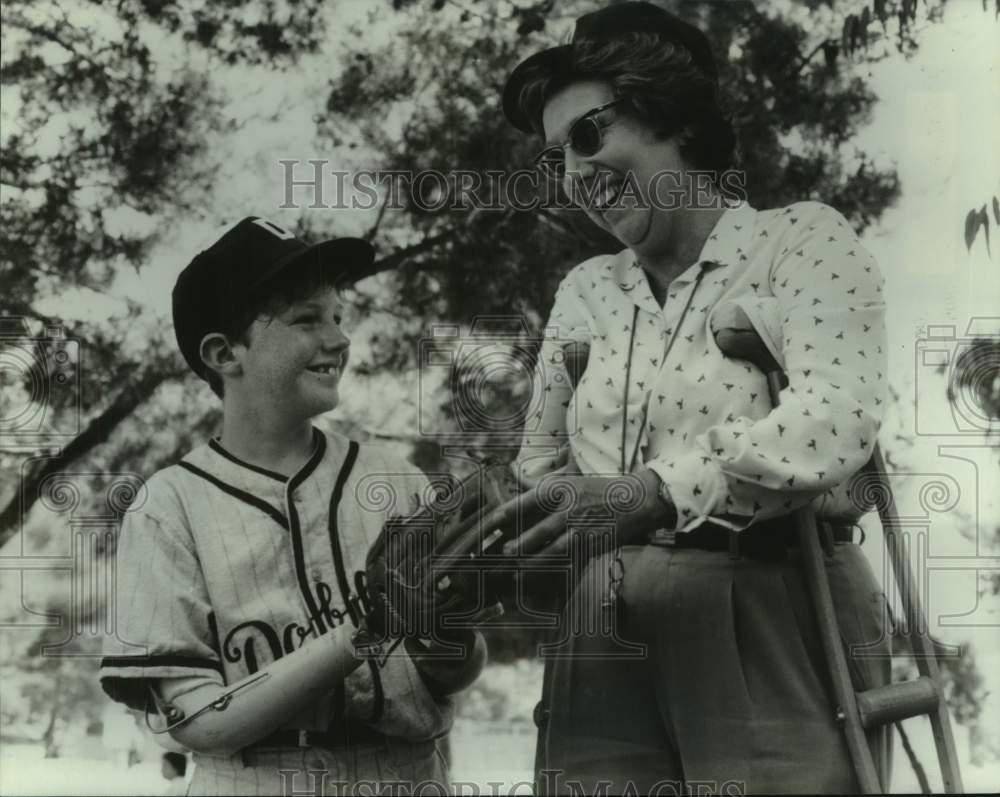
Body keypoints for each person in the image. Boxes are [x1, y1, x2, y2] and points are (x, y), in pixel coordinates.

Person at [498, 2, 892, 794]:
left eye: (588, 135)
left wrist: (652, 493)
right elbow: (540, 467)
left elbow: (838, 415)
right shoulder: (584, 291)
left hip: (774, 607)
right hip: (603, 628)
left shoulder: (800, 239)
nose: (574, 177)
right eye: (556, 160)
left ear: (668, 113)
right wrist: (486, 535)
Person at [100, 217, 486, 795]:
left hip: (407, 773)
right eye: (306, 320)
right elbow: (198, 721)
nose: (337, 340)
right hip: (253, 779)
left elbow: (456, 671)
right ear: (225, 352)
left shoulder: (395, 480)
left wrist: (443, 634)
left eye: (337, 317)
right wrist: (362, 629)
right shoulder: (167, 506)